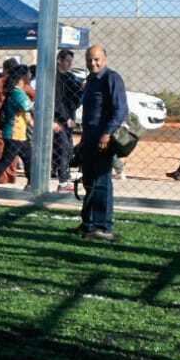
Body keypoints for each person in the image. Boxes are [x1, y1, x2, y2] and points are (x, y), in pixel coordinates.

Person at [77, 44, 126, 242]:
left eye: (97, 59)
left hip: (103, 140)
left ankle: (103, 226)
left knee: (101, 183)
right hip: (89, 138)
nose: (93, 63)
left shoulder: (111, 78)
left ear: (104, 59)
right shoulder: (90, 80)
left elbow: (120, 109)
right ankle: (88, 224)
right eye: (89, 59)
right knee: (89, 181)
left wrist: (107, 134)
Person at [0, 65, 35, 190]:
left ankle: (30, 183)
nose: (30, 76)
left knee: (28, 158)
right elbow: (30, 109)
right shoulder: (18, 94)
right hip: (14, 134)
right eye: (28, 74)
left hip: (19, 135)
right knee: (6, 160)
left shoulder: (16, 91)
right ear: (22, 77)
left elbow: (27, 115)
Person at [52, 48, 82, 187]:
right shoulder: (54, 77)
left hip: (69, 117)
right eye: (67, 61)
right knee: (63, 147)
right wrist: (64, 119)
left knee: (68, 148)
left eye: (71, 61)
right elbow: (55, 102)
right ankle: (63, 180)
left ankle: (59, 172)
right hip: (57, 119)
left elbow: (77, 97)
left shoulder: (70, 78)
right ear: (59, 61)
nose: (70, 64)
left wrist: (82, 89)